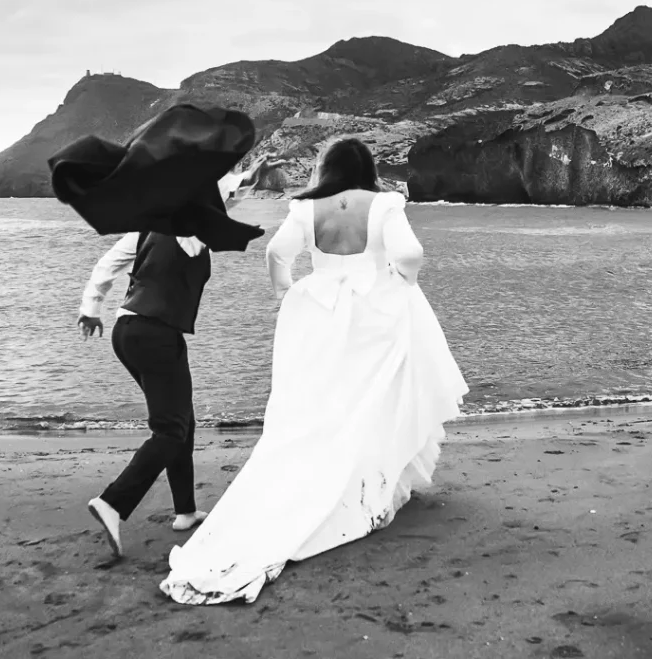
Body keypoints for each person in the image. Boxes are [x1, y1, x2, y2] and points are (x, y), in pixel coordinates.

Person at [159, 137, 470, 605]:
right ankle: (371, 493)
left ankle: (321, 490)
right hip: (374, 316)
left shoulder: (306, 207)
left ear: (327, 170)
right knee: (373, 404)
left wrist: (288, 294)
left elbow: (276, 256)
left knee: (321, 409)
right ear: (365, 168)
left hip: (320, 313)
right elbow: (410, 254)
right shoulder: (384, 202)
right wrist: (400, 282)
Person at [80, 153, 288, 559]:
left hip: (128, 331)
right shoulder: (189, 226)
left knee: (182, 421)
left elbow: (107, 266)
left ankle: (185, 511)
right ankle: (112, 502)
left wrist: (90, 308)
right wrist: (246, 177)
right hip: (155, 333)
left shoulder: (149, 228)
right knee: (171, 430)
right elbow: (215, 196)